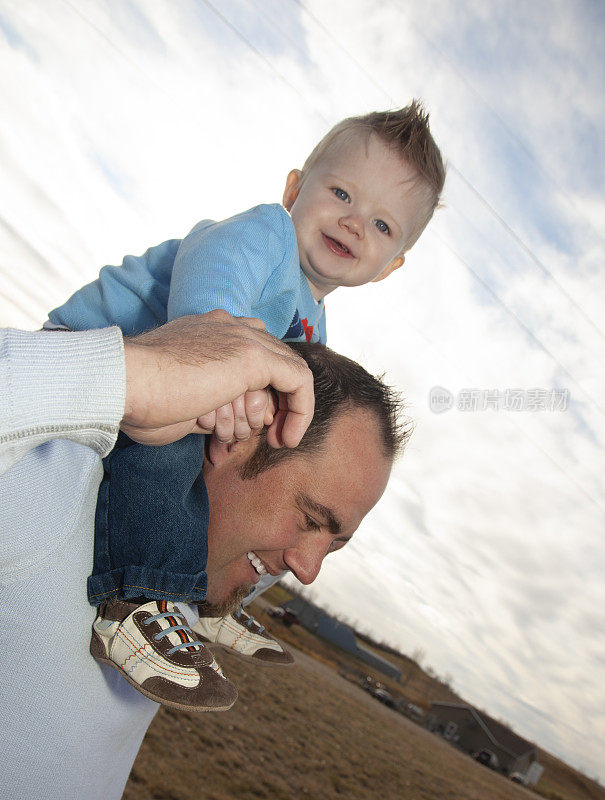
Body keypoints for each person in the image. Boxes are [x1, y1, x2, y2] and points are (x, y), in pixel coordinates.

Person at [46, 101, 444, 699]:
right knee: (176, 445)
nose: (355, 223)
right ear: (293, 189)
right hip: (92, 357)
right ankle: (130, 598)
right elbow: (211, 277)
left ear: (392, 266)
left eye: (383, 226)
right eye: (341, 194)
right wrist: (225, 367)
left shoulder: (314, 325)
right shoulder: (267, 234)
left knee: (273, 488)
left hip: (157, 397)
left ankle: (205, 601)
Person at [0, 316, 405, 800]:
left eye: (336, 543)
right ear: (237, 437)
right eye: (312, 519)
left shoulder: (199, 575)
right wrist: (138, 375)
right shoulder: (57, 482)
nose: (309, 569)